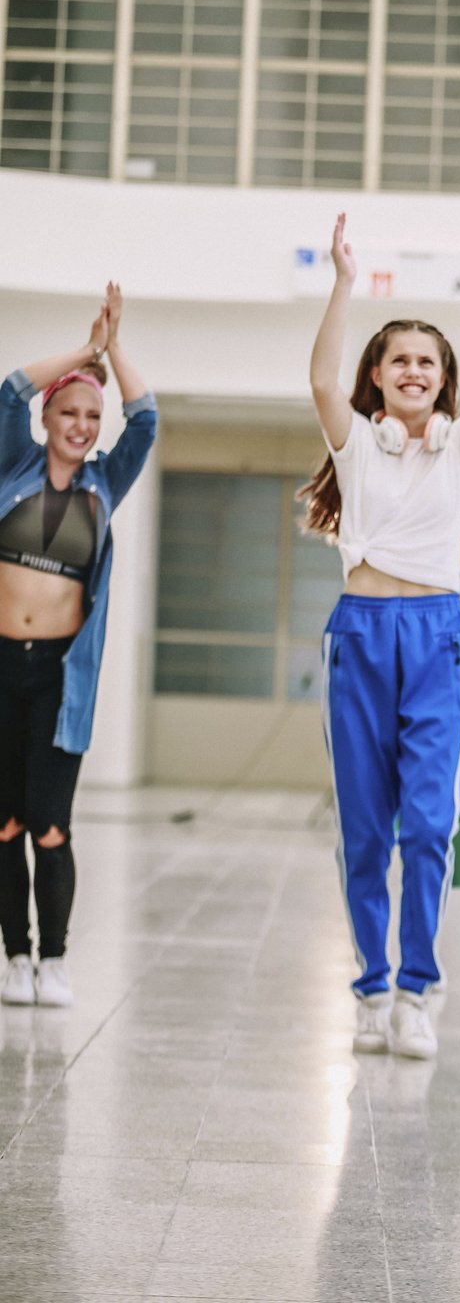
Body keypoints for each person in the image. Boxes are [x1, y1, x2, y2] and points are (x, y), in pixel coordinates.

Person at [303, 215, 460, 1060]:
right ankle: (370, 989)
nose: (415, 370)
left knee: (430, 826)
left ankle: (419, 991)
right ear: (380, 381)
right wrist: (345, 284)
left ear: (441, 380)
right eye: (401, 361)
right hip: (359, 637)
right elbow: (320, 379)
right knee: (364, 830)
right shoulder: (358, 448)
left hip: (436, 642)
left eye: (429, 361)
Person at [0, 287, 156, 1009]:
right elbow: (8, 389)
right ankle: (16, 958)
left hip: (61, 678)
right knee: (2, 823)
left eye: (94, 417)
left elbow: (146, 420)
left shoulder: (104, 485)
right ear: (47, 418)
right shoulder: (13, 468)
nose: (84, 427)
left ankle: (55, 959)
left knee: (50, 824)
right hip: (2, 670)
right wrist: (83, 350)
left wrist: (114, 350)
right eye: (71, 412)